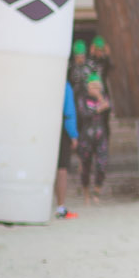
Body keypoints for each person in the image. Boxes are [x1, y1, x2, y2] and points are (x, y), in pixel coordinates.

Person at [76, 75, 112, 204]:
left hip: (100, 134)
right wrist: (97, 110)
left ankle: (97, 191)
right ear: (88, 87)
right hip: (86, 135)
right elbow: (83, 114)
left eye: (98, 86)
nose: (96, 89)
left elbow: (108, 109)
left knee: (102, 164)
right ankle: (86, 193)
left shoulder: (104, 97)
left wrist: (100, 98)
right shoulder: (83, 99)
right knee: (86, 166)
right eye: (93, 86)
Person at [54, 79, 77, 217]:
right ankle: (60, 206)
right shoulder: (64, 85)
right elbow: (69, 111)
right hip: (61, 129)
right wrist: (73, 134)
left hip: (42, 126)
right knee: (62, 169)